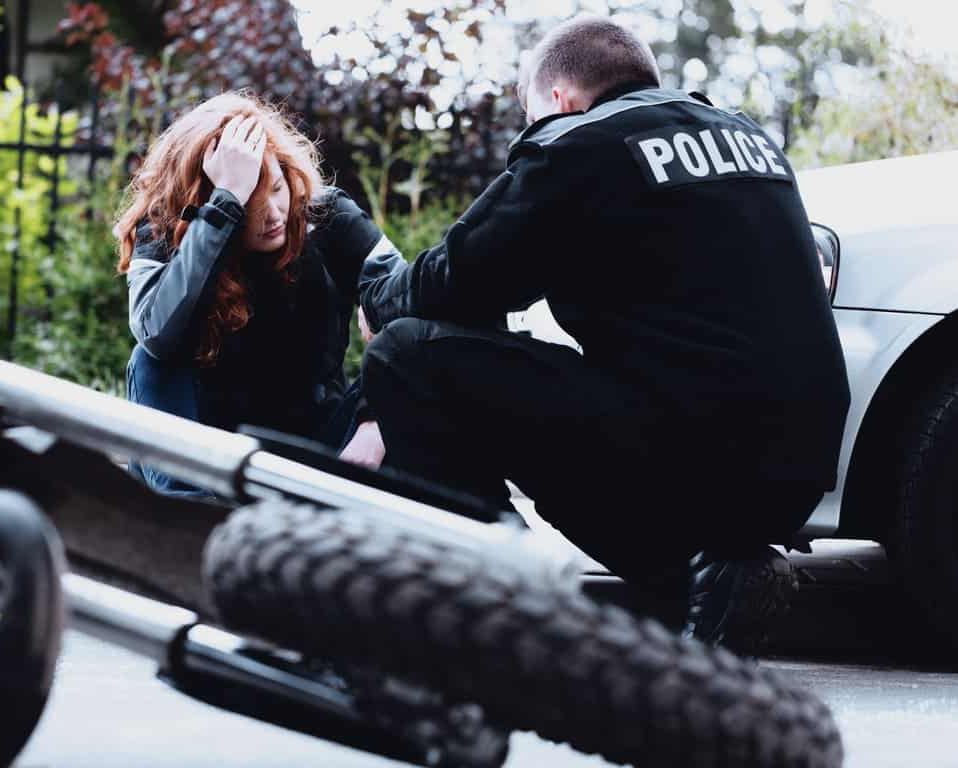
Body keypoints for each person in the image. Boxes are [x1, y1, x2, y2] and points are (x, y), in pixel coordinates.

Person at [355, 15, 851, 654]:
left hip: (687, 456)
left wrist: (381, 299)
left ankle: (510, 594)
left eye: (530, 115)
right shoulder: (749, 138)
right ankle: (712, 577)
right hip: (796, 471)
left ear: (560, 99)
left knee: (405, 354)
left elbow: (456, 280)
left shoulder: (579, 144)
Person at [115, 92, 387, 495]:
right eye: (251, 203)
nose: (274, 214)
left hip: (316, 444)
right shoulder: (164, 227)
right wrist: (224, 206)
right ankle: (190, 518)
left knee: (408, 350)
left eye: (276, 188)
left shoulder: (328, 215)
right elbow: (155, 334)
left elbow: (412, 308)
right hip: (206, 458)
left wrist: (373, 420)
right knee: (149, 360)